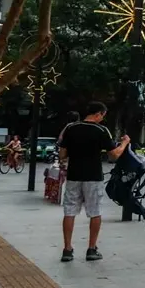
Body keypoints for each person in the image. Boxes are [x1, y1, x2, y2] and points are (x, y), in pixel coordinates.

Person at [57, 101, 129, 263]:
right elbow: (115, 154)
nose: (103, 119)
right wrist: (124, 142)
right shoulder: (102, 130)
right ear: (98, 114)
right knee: (94, 212)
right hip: (93, 176)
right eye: (103, 116)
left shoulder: (71, 128)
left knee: (69, 212)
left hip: (74, 175)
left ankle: (67, 250)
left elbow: (62, 154)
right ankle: (91, 249)